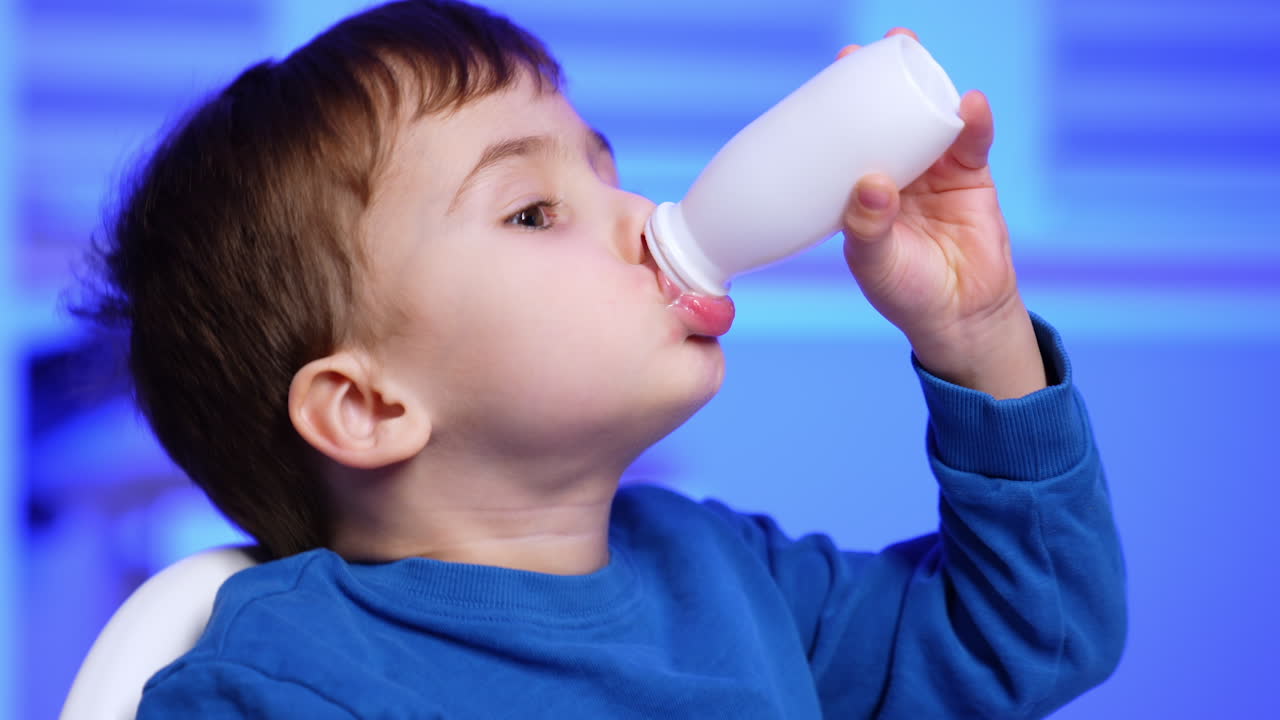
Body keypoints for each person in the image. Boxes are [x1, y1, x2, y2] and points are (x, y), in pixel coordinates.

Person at [77, 0, 1125, 717]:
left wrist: (976, 334)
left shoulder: (731, 580)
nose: (639, 216)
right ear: (366, 404)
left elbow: (1035, 635)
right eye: (534, 211)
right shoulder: (288, 683)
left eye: (606, 173)